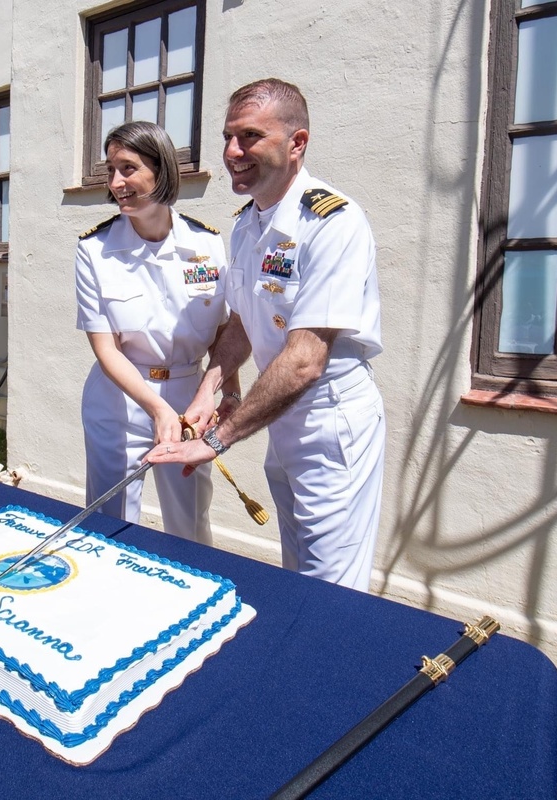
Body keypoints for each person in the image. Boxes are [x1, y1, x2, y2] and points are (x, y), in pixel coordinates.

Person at [146, 79, 385, 591]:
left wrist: (216, 440)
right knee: (297, 571)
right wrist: (211, 385)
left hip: (329, 420)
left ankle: (335, 670)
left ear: (296, 143)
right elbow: (243, 322)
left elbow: (304, 361)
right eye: (228, 137)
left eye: (250, 136)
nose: (233, 152)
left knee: (332, 587)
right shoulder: (248, 224)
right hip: (282, 418)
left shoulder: (333, 223)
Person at [75, 120, 241, 544]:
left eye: (128, 168)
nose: (116, 182)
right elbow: (105, 348)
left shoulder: (206, 245)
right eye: (111, 170)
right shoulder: (95, 250)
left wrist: (229, 395)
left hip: (189, 399)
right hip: (119, 403)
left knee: (190, 523)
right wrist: (156, 408)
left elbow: (224, 329)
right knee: (110, 523)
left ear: (160, 169)